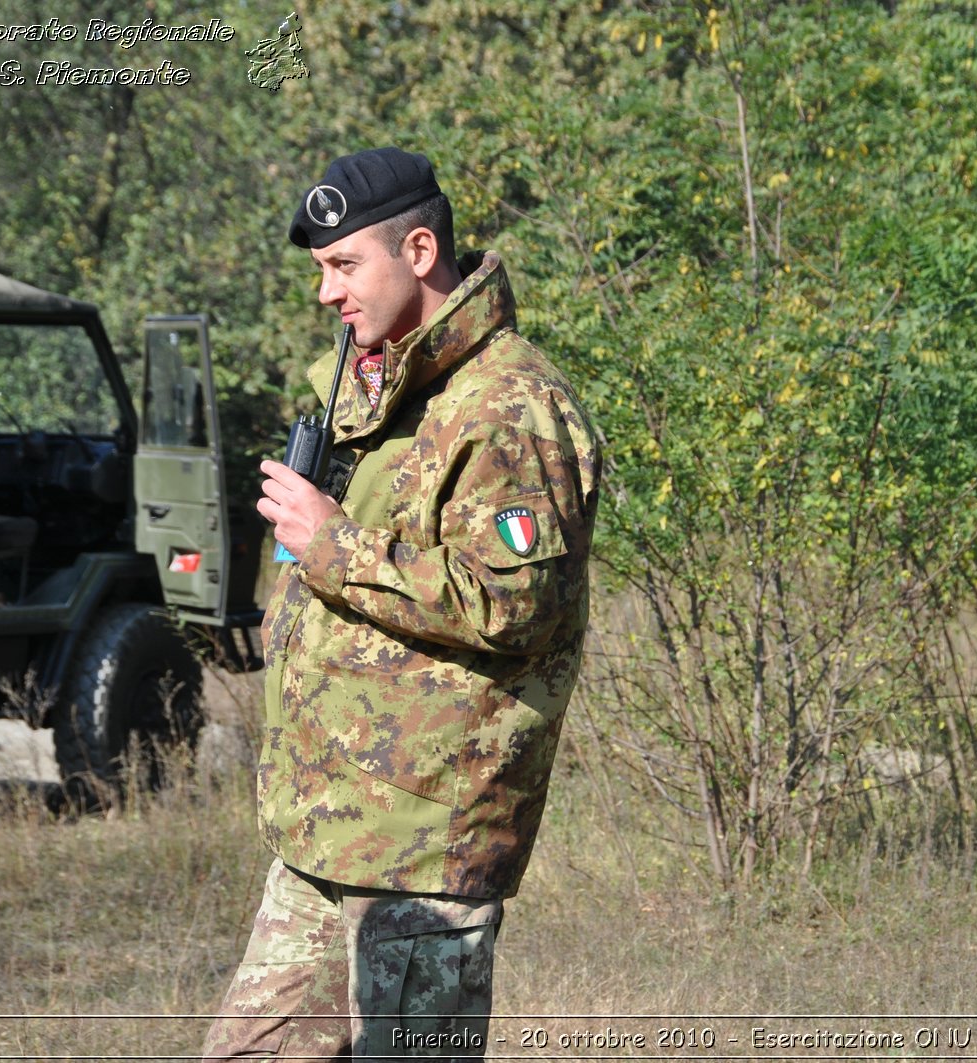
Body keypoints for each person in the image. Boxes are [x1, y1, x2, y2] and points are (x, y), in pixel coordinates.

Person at [203, 147, 601, 1061]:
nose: (326, 294)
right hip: (326, 828)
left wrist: (331, 540)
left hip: (424, 841)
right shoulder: (378, 389)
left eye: (344, 266)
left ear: (419, 250)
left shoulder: (507, 405)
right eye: (320, 271)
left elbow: (512, 605)